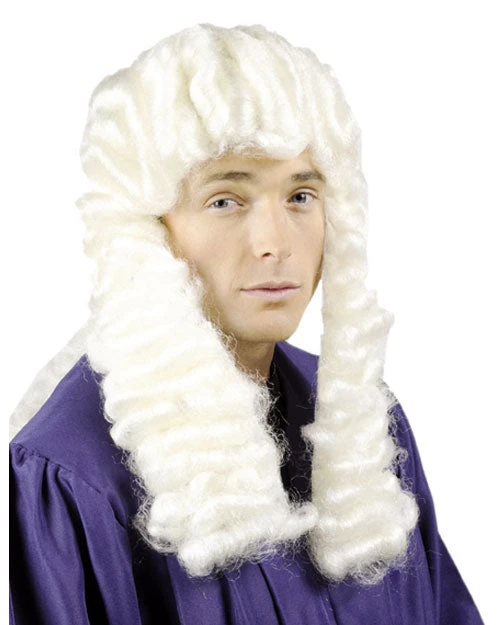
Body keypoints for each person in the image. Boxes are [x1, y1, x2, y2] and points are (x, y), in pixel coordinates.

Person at [9, 23, 484, 624]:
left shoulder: (360, 425)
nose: (274, 243)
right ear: (148, 231)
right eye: (225, 201)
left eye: (300, 196)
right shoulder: (72, 472)